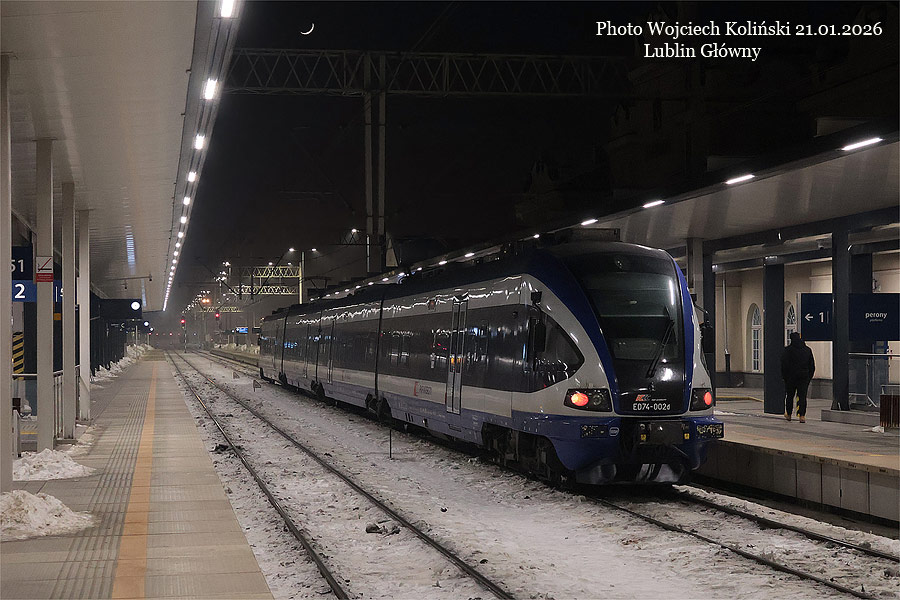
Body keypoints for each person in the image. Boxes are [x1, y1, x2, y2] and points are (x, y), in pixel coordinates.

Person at [781, 332, 815, 422]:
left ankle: (788, 414)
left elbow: (783, 365)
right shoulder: (807, 350)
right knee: (802, 396)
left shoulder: (787, 350)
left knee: (790, 396)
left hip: (790, 377)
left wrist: (785, 377)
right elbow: (812, 365)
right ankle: (802, 415)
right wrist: (808, 377)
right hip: (803, 377)